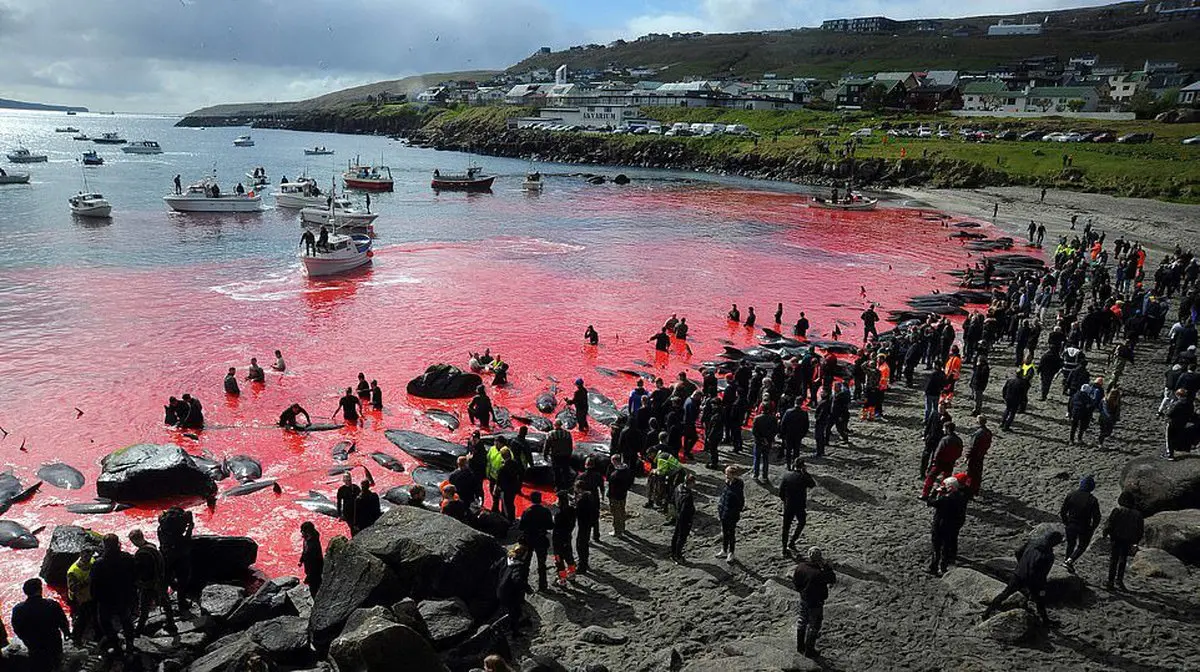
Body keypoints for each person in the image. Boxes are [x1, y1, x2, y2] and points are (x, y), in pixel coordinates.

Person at [982, 529, 1064, 627]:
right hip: (1033, 580)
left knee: (1005, 594)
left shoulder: (1032, 543)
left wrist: (1022, 564)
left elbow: (1017, 551)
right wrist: (1042, 587)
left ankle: (987, 612)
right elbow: (1042, 574)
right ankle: (1045, 620)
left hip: (1018, 574)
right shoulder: (1048, 555)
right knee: (1040, 599)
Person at [11, 578, 71, 672]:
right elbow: (63, 622)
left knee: (39, 666)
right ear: (40, 590)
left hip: (34, 644)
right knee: (57, 664)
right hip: (53, 641)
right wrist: (67, 633)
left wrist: (26, 639)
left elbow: (17, 628)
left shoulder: (18, 609)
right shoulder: (52, 604)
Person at [90, 533, 136, 655]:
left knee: (105, 623)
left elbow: (94, 584)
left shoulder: (98, 563)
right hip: (124, 596)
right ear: (118, 544)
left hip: (106, 599)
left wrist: (95, 599)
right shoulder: (127, 558)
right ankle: (130, 644)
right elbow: (134, 575)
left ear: (105, 546)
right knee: (126, 620)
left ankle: (116, 645)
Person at [129, 528, 177, 636]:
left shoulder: (141, 553)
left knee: (144, 608)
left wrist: (138, 583)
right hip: (160, 580)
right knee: (165, 603)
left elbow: (142, 572)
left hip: (149, 585)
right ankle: (171, 623)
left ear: (135, 540)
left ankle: (138, 630)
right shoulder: (152, 546)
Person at [793, 547, 837, 658]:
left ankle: (800, 646)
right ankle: (809, 650)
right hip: (816, 601)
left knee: (802, 620)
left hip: (804, 598)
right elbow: (832, 579)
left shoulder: (800, 567)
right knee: (814, 625)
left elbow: (796, 583)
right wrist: (827, 567)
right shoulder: (819, 573)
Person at [1102, 492, 1144, 591]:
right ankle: (1119, 580)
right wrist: (1136, 541)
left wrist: (1105, 533)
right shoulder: (1137, 514)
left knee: (1114, 560)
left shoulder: (1118, 510)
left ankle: (1110, 581)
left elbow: (1110, 523)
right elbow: (1140, 530)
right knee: (1123, 560)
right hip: (1128, 539)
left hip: (1116, 538)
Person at [927, 476, 969, 576]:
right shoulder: (962, 497)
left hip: (940, 524)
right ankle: (944, 566)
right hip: (953, 525)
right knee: (947, 546)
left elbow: (930, 502)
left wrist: (935, 491)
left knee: (936, 546)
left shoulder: (945, 499)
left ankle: (934, 566)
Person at [1059, 475, 1101, 573]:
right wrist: (1093, 528)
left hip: (1071, 524)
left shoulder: (1071, 495)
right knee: (1082, 546)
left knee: (1070, 544)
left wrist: (1066, 522)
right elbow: (1097, 517)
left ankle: (1066, 560)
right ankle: (1070, 561)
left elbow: (1063, 511)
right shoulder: (1092, 500)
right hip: (1084, 526)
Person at [157, 506, 194, 612]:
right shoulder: (179, 535)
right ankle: (182, 603)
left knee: (166, 578)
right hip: (180, 556)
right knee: (183, 579)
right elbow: (187, 541)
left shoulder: (161, 529)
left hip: (165, 554)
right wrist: (190, 527)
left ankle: (165, 603)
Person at [779, 458, 816, 555]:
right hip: (799, 505)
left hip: (788, 505)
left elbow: (781, 493)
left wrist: (786, 501)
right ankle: (792, 542)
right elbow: (812, 484)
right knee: (802, 522)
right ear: (803, 466)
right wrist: (806, 473)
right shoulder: (803, 477)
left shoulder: (786, 476)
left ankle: (784, 548)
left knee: (785, 527)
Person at [518, 491, 553, 591]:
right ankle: (543, 585)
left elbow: (521, 527)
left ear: (531, 499)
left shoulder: (527, 511)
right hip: (541, 539)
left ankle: (524, 585)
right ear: (540, 499)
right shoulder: (546, 511)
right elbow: (550, 526)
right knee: (542, 564)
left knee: (526, 563)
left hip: (528, 539)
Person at [496, 544, 531, 636]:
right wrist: (527, 588)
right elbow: (517, 579)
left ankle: (511, 628)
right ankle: (515, 632)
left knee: (507, 610)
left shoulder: (504, 559)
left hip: (500, 590)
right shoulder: (518, 566)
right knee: (515, 612)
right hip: (511, 593)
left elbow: (494, 568)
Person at [921, 422, 963, 499]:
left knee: (930, 478)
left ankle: (925, 494)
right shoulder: (958, 440)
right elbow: (959, 452)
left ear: (947, 429)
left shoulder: (944, 440)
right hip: (950, 463)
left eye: (944, 428)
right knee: (946, 481)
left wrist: (934, 461)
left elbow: (938, 452)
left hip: (940, 463)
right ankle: (941, 496)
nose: (943, 430)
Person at [66, 548, 97, 645]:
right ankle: (76, 638)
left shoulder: (92, 561)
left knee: (94, 615)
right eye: (85, 556)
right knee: (81, 620)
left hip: (91, 595)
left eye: (89, 556)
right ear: (81, 555)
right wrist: (86, 582)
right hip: (79, 599)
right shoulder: (73, 571)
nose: (87, 558)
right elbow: (73, 588)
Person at [717, 466, 745, 562]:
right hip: (723, 512)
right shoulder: (727, 483)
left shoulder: (737, 487)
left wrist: (735, 512)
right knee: (724, 532)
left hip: (732, 514)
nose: (725, 476)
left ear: (733, 475)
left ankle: (731, 553)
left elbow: (740, 502)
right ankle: (724, 550)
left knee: (731, 533)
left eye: (727, 474)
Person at [670, 473, 697, 563]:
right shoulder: (687, 496)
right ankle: (678, 555)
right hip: (684, 519)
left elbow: (673, 499)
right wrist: (689, 520)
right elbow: (686, 511)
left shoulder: (678, 487)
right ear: (690, 483)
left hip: (678, 515)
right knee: (682, 537)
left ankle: (673, 552)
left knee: (676, 535)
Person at [574, 480, 599, 574]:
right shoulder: (590, 496)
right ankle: (584, 562)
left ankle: (582, 565)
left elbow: (578, 513)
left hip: (584, 524)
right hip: (589, 523)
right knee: (584, 544)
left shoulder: (582, 500)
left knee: (581, 545)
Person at [965, 416, 992, 497]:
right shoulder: (988, 432)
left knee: (970, 473)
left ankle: (969, 490)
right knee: (978, 472)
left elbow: (972, 447)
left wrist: (967, 456)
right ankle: (976, 489)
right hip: (981, 455)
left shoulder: (977, 434)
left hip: (974, 456)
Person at [607, 454, 634, 537]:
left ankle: (617, 531)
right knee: (622, 510)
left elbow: (611, 487)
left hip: (615, 496)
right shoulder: (627, 470)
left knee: (616, 513)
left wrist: (609, 495)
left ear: (614, 461)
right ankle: (622, 527)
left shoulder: (615, 475)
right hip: (623, 494)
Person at [752, 401, 778, 483]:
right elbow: (775, 430)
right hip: (768, 442)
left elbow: (754, 431)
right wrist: (768, 439)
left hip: (759, 442)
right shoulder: (773, 419)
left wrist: (761, 439)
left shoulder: (757, 418)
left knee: (757, 458)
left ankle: (756, 475)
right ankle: (765, 476)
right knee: (766, 459)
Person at [546, 420, 574, 490]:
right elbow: (570, 445)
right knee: (565, 470)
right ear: (561, 425)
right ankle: (567, 485)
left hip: (555, 455)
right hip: (565, 455)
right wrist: (569, 453)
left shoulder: (550, 434)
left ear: (554, 425)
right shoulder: (567, 433)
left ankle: (558, 486)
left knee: (556, 471)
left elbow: (547, 446)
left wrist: (545, 454)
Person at [496, 448, 523, 521]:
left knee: (506, 505)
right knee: (511, 504)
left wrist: (497, 488)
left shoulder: (503, 468)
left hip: (505, 489)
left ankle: (508, 520)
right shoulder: (515, 463)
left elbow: (499, 480)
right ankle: (512, 518)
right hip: (513, 488)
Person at [298, 521, 323, 595]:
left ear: (308, 532)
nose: (301, 532)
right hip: (309, 566)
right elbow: (304, 551)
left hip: (315, 569)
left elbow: (315, 562)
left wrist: (309, 577)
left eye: (302, 531)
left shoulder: (313, 545)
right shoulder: (307, 540)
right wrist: (301, 560)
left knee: (315, 586)